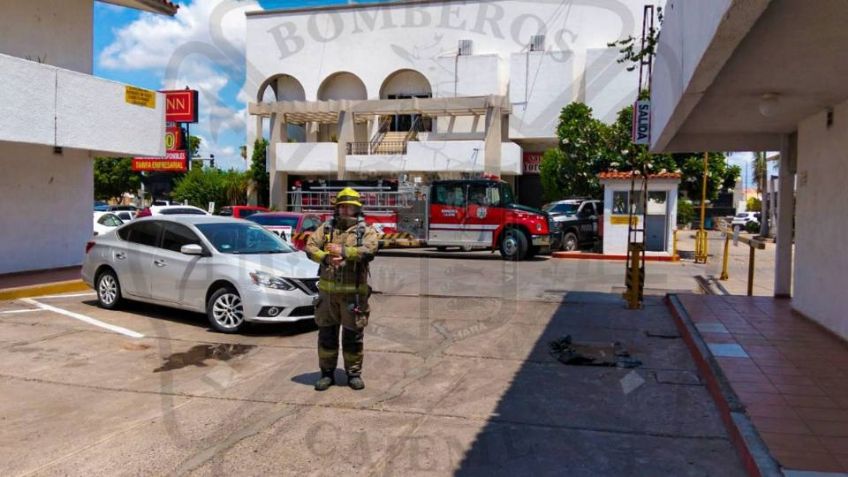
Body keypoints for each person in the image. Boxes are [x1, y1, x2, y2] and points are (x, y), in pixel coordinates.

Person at [305, 187, 379, 391]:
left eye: (351, 207)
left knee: (353, 337)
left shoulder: (365, 230)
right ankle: (327, 374)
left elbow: (370, 250)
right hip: (327, 297)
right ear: (337, 208)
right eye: (343, 206)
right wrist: (326, 257)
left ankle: (353, 374)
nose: (346, 210)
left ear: (358, 209)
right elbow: (310, 246)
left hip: (353, 298)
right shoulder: (326, 229)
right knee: (327, 336)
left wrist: (344, 251)